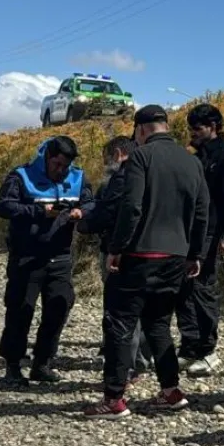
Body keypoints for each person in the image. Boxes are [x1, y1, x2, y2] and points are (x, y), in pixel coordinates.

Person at [84, 105, 209, 419]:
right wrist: (195, 254)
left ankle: (114, 399)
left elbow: (132, 207)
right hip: (175, 258)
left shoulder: (139, 157)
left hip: (139, 255)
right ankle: (171, 392)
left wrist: (117, 247)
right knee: (158, 325)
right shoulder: (192, 161)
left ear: (140, 130)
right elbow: (201, 212)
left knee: (119, 325)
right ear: (165, 126)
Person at [0, 135, 94, 386]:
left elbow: (92, 203)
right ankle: (13, 365)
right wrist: (40, 211)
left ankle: (42, 364)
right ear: (47, 157)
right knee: (20, 311)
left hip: (60, 256)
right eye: (56, 164)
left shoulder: (78, 178)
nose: (60, 171)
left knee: (59, 308)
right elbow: (4, 206)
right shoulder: (21, 176)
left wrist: (81, 212)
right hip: (26, 257)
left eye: (65, 166)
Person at [177, 104, 224, 377]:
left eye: (198, 128)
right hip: (189, 233)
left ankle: (209, 351)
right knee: (184, 289)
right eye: (190, 128)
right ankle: (190, 345)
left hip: (212, 234)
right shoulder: (197, 156)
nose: (193, 133)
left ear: (213, 127)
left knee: (203, 290)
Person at [77, 135, 153, 382]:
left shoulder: (121, 177)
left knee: (120, 310)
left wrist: (83, 223)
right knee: (143, 308)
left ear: (119, 153)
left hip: (119, 251)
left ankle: (125, 367)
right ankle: (140, 359)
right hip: (150, 250)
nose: (105, 164)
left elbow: (109, 212)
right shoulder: (150, 172)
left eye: (106, 158)